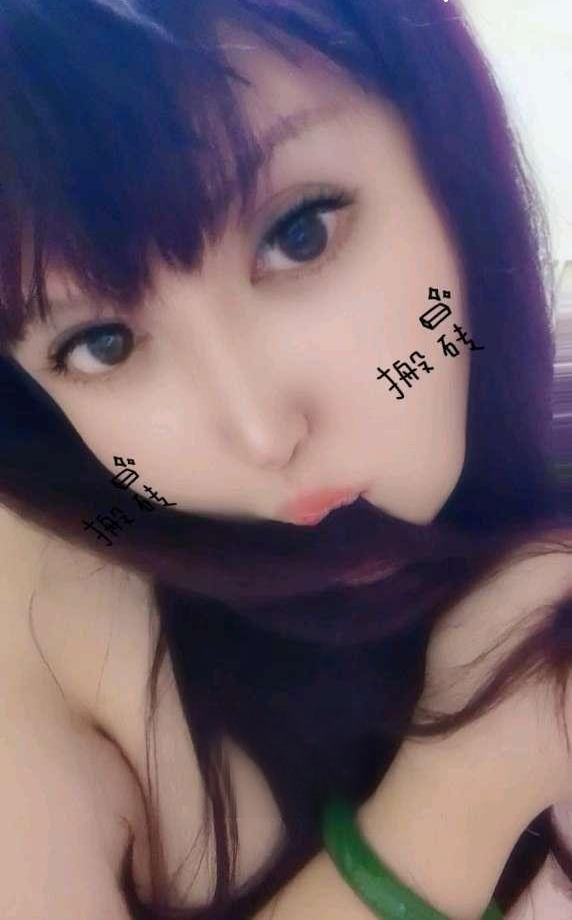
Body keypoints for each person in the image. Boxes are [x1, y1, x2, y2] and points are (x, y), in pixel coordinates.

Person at [0, 0, 571, 917]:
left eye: (298, 234)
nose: (262, 435)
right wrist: (465, 789)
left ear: (443, 151)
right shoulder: (44, 614)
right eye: (102, 344)